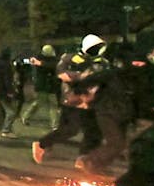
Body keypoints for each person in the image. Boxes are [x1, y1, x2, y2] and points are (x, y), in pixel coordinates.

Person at [32, 34, 109, 165]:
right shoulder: (70, 58)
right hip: (73, 101)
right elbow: (62, 74)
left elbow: (106, 78)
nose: (97, 50)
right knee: (69, 129)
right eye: (95, 47)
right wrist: (84, 76)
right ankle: (41, 144)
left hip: (93, 102)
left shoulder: (102, 63)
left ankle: (83, 159)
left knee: (94, 132)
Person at [20, 44, 61, 129]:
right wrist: (39, 63)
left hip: (51, 87)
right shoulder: (39, 60)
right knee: (38, 103)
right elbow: (46, 67)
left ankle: (55, 125)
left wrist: (40, 63)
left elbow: (53, 66)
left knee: (53, 106)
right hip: (42, 86)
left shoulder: (49, 61)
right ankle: (25, 117)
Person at [0, 47, 19, 138]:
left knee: (0, 111)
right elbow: (7, 79)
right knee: (11, 112)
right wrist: (10, 91)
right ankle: (6, 130)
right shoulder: (6, 65)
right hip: (4, 90)